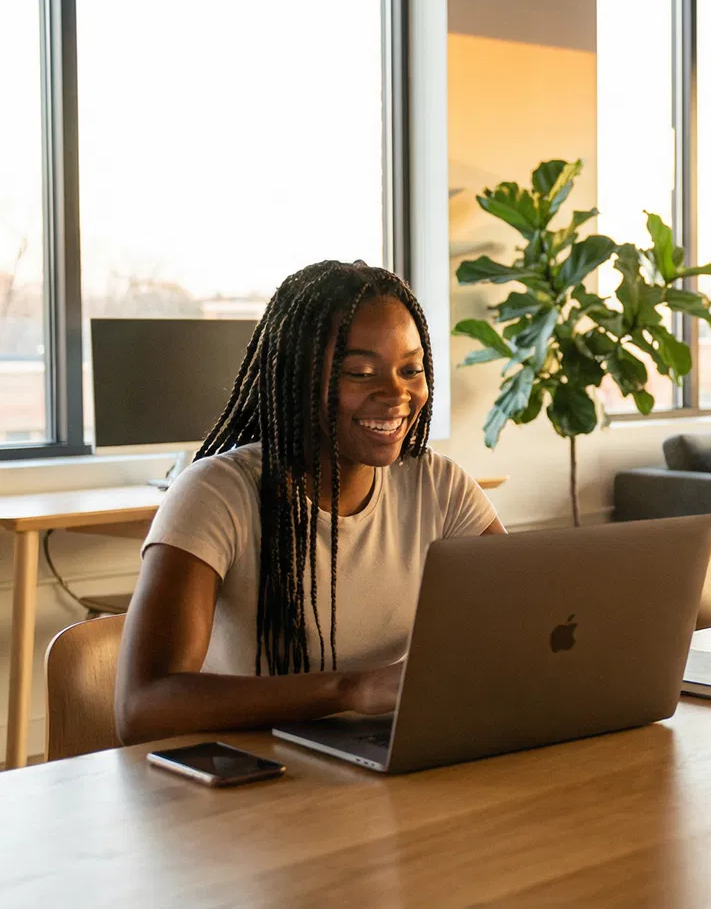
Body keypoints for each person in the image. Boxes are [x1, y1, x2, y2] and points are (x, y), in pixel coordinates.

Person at [116, 261, 503, 744]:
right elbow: (143, 706)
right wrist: (350, 690)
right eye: (361, 372)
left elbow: (524, 626)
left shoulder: (439, 486)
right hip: (247, 781)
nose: (397, 393)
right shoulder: (216, 494)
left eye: (412, 369)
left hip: (387, 767)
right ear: (297, 378)